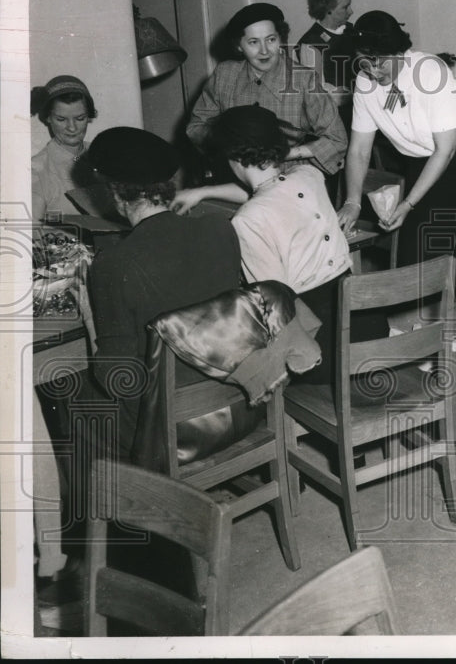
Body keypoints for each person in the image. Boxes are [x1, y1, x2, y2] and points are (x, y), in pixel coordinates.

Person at [178, 105, 385, 383]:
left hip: (321, 347)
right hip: (366, 327)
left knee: (223, 351)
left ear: (233, 157)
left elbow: (274, 308)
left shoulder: (247, 221)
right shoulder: (310, 177)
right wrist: (203, 192)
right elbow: (271, 192)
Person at [339, 10, 456, 314]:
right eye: (365, 61)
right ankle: (431, 344)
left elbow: (445, 150)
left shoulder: (430, 71)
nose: (373, 70)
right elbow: (359, 149)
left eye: (381, 60)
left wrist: (408, 203)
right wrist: (352, 202)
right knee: (422, 268)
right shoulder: (365, 82)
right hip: (419, 170)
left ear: (401, 52)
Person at [87, 127, 242, 458]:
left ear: (115, 193)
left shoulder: (112, 265)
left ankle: (137, 503)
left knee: (72, 405)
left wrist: (90, 320)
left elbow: (118, 379)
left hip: (177, 433)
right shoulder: (220, 228)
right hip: (243, 404)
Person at [186, 2, 348, 180]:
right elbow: (196, 128)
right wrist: (231, 148)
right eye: (253, 42)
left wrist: (286, 154)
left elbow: (337, 140)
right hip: (233, 176)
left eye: (271, 39)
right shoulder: (224, 74)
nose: (264, 51)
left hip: (287, 176)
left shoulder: (304, 79)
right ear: (239, 46)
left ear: (281, 39)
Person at [30, 75, 99, 219]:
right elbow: (32, 232)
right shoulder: (36, 170)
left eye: (80, 118)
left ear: (89, 116)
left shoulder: (103, 154)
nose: (72, 128)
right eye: (61, 119)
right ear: (48, 118)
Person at [295, 0, 356, 131]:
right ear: (328, 10)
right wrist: (353, 94)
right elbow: (317, 95)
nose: (351, 12)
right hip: (332, 119)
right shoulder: (310, 43)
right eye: (345, 7)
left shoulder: (350, 31)